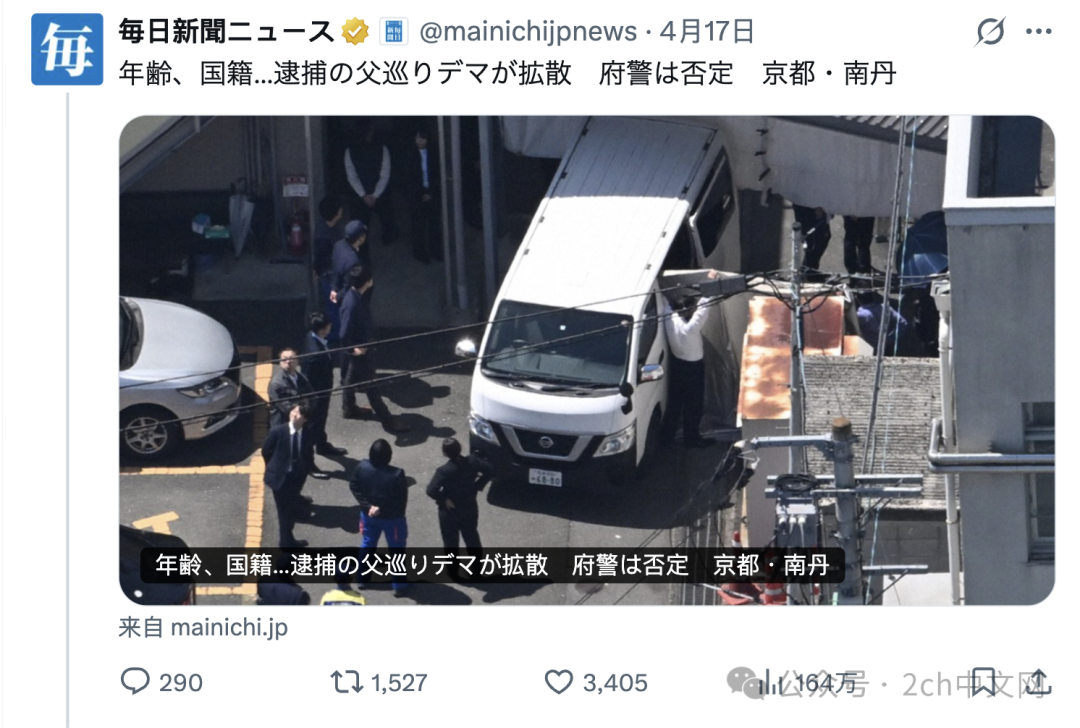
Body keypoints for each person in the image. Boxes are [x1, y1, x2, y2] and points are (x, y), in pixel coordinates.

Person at [338, 265, 409, 433]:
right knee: (371, 387)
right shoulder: (352, 303)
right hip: (362, 351)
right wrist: (353, 350)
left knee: (350, 378)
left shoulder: (354, 296)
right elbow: (343, 334)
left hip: (362, 347)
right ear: (367, 282)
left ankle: (348, 407)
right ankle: (388, 421)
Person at [660, 271, 721, 448]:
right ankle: (691, 438)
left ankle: (666, 439)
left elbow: (663, 301)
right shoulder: (691, 328)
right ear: (688, 310)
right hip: (693, 369)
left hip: (677, 366)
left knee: (675, 404)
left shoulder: (669, 318)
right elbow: (704, 307)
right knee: (693, 406)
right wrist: (710, 281)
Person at [349, 439, 409, 595]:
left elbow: (354, 486)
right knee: (396, 551)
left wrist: (368, 506)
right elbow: (400, 500)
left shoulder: (362, 467)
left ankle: (362, 579)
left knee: (367, 545)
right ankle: (399, 585)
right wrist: (380, 508)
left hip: (369, 515)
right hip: (392, 519)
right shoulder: (397, 474)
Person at [425, 438, 493, 560]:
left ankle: (453, 568)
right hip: (469, 506)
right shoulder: (473, 461)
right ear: (460, 448)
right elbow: (490, 470)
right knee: (472, 537)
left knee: (450, 543)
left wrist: (443, 499)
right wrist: (477, 486)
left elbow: (431, 490)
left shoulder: (444, 471)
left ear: (444, 453)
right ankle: (477, 565)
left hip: (450, 511)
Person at [261, 403, 317, 548]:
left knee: (291, 505)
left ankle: (292, 522)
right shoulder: (278, 432)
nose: (294, 414)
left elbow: (308, 453)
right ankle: (286, 542)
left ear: (305, 419)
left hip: (297, 476)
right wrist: (274, 467)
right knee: (284, 512)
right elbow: (266, 451)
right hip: (280, 479)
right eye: (293, 411)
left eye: (298, 413)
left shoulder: (308, 433)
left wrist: (305, 469)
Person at [344, 120, 399, 245]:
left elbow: (351, 176)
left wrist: (363, 195)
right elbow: (385, 174)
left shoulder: (350, 150)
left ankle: (363, 254)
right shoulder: (382, 149)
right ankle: (388, 239)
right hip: (380, 194)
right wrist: (375, 195)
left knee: (359, 230)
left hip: (358, 197)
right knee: (387, 220)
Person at [301, 312, 347, 460]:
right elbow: (307, 378)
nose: (330, 327)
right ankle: (307, 459)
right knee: (313, 425)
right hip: (318, 394)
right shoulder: (315, 354)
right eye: (327, 326)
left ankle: (322, 444)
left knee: (320, 421)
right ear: (321, 330)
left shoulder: (311, 337)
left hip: (321, 391)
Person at [402, 128, 442, 264]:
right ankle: (419, 252)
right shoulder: (409, 154)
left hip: (431, 192)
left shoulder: (434, 153)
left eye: (423, 138)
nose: (420, 141)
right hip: (416, 194)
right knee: (418, 225)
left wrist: (431, 193)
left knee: (434, 224)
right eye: (418, 137)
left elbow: (437, 174)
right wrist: (419, 194)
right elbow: (407, 178)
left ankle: (435, 250)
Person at [268, 347, 316, 430]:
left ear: (297, 361)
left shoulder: (301, 378)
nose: (288, 361)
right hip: (282, 425)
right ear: (280, 362)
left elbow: (312, 397)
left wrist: (306, 412)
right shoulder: (276, 383)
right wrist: (302, 409)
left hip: (301, 422)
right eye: (284, 359)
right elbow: (286, 406)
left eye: (291, 358)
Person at [330, 219, 370, 306]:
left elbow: (336, 267)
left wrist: (334, 288)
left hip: (336, 284)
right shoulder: (353, 262)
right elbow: (348, 287)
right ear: (361, 238)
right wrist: (337, 297)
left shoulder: (338, 245)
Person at [794, 204, 832, 277]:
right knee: (814, 242)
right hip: (811, 210)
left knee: (819, 239)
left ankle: (808, 271)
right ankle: (809, 274)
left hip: (810, 208)